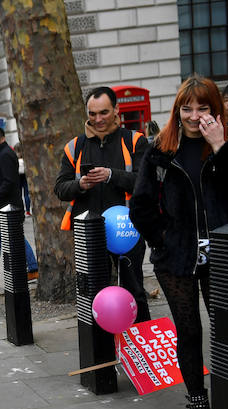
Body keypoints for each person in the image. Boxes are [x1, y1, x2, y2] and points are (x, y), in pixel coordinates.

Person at [131, 75, 228, 409]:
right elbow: (140, 205)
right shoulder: (160, 150)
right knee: (189, 331)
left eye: (202, 108)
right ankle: (198, 405)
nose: (193, 116)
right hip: (176, 258)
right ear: (177, 110)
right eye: (186, 109)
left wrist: (220, 146)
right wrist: (163, 239)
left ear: (214, 110)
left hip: (224, 254)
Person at [53, 85, 151, 322]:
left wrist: (111, 175)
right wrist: (81, 184)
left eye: (104, 112)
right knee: (93, 295)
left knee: (134, 290)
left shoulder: (135, 141)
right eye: (92, 114)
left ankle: (140, 338)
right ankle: (101, 343)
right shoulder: (74, 146)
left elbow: (146, 182)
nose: (98, 119)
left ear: (116, 110)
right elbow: (60, 189)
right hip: (89, 231)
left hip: (127, 228)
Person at [0, 126, 38, 284]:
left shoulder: (5, 154)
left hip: (5, 206)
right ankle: (33, 268)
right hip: (3, 205)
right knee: (15, 237)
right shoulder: (0, 153)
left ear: (2, 138)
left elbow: (9, 182)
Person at [14, 144, 31, 216]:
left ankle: (20, 210)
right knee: (26, 194)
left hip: (18, 177)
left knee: (19, 195)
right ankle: (28, 211)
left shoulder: (15, 159)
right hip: (25, 176)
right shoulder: (26, 158)